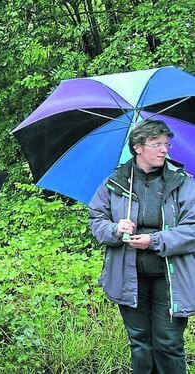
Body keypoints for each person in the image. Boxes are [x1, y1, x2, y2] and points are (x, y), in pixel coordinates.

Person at [89, 120, 195, 374]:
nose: (164, 150)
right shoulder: (116, 183)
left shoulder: (183, 182)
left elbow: (193, 227)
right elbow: (97, 220)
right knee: (140, 344)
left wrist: (155, 240)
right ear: (138, 147)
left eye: (166, 144)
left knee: (168, 343)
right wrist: (115, 229)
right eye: (156, 144)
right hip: (128, 276)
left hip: (170, 277)